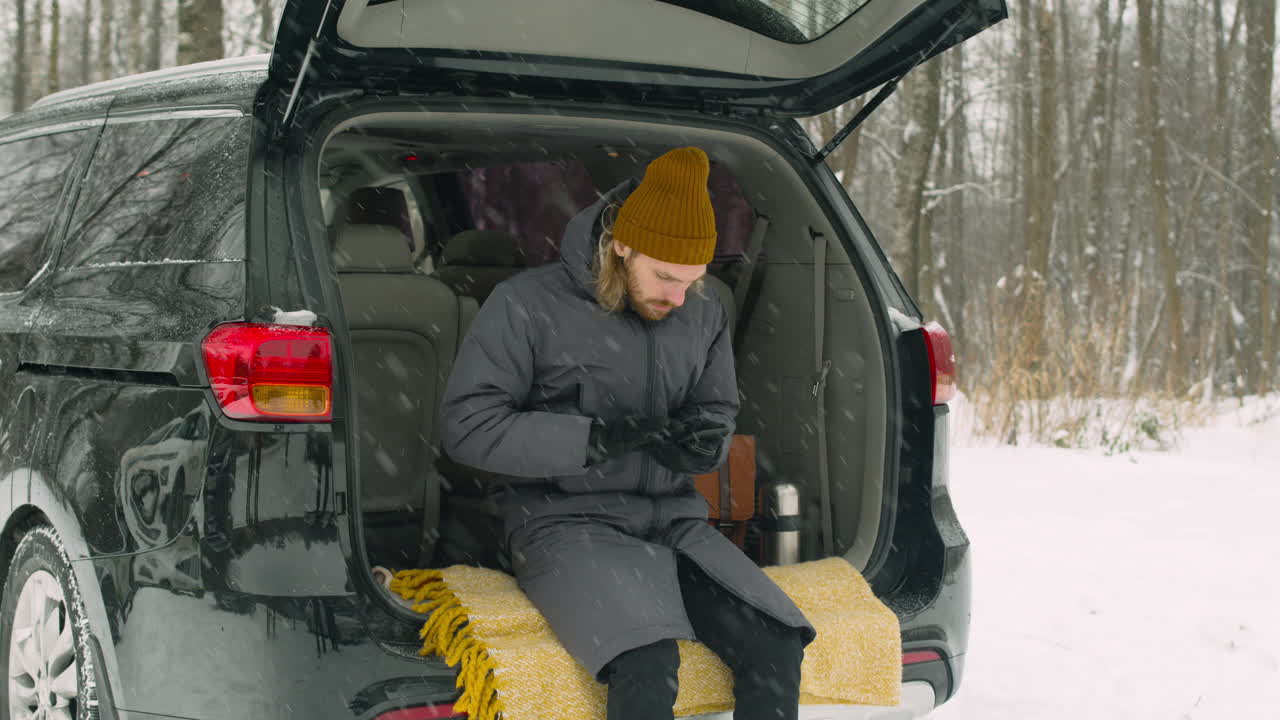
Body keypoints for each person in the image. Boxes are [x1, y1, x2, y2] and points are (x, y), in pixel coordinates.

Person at [440, 147, 814, 720]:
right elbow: (466, 427)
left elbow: (717, 409)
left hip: (674, 520)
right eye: (665, 276)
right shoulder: (526, 306)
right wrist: (588, 439)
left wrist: (701, 443)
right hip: (563, 522)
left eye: (693, 281)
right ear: (621, 244)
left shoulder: (703, 312)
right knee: (645, 660)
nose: (677, 297)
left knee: (776, 643)